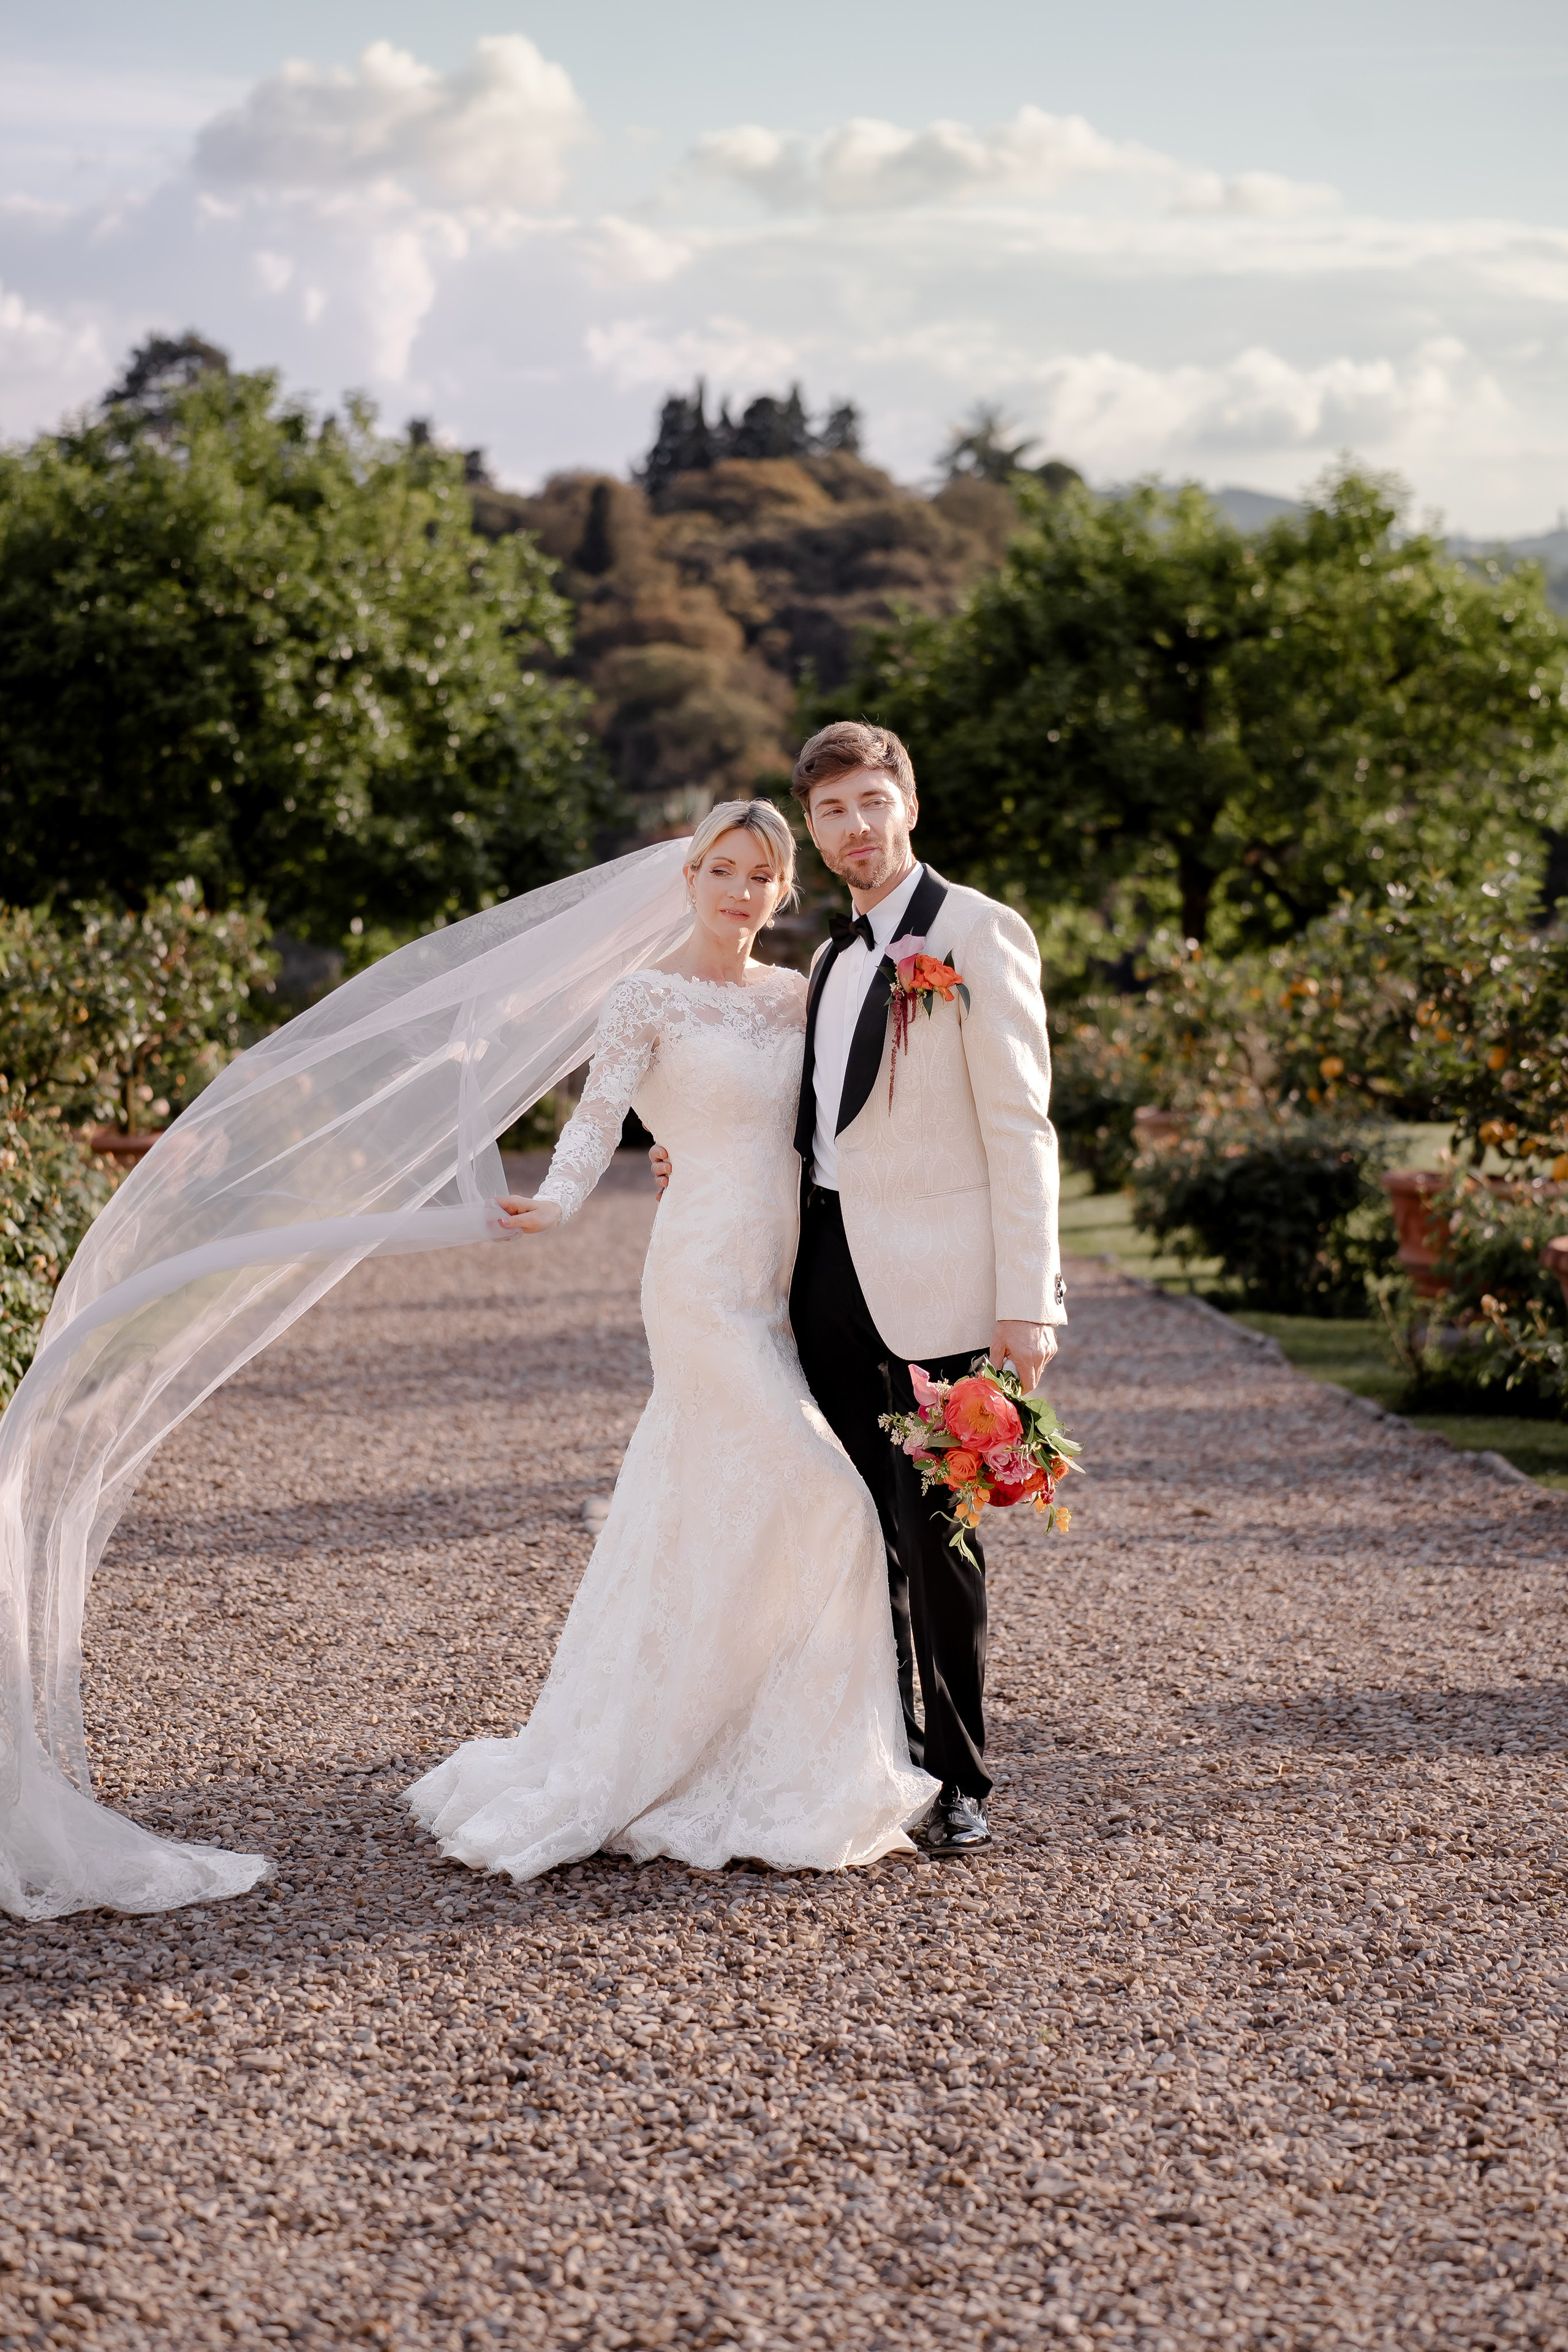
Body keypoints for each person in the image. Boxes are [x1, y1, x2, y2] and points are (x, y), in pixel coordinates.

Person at [405, 801, 937, 1881]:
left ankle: (730, 1733)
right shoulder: (644, 995)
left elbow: (824, 1121)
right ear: (689, 876)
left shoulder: (797, 996)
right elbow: (602, 1118)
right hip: (699, 1280)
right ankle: (748, 1755)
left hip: (785, 1273)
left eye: (761, 876)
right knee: (827, 1496)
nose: (741, 891)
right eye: (723, 870)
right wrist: (555, 1200)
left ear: (784, 894)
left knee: (712, 1498)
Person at [650, 723, 1065, 1855]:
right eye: (833, 812)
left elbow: (1021, 1126)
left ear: (910, 807)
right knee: (848, 1521)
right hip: (820, 1275)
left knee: (942, 1534)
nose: (856, 827)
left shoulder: (978, 932)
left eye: (873, 802)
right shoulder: (829, 964)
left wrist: (1029, 1300)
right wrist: (690, 1152)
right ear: (818, 833)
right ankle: (883, 1753)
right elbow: (793, 1118)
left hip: (942, 1286)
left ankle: (962, 1771)